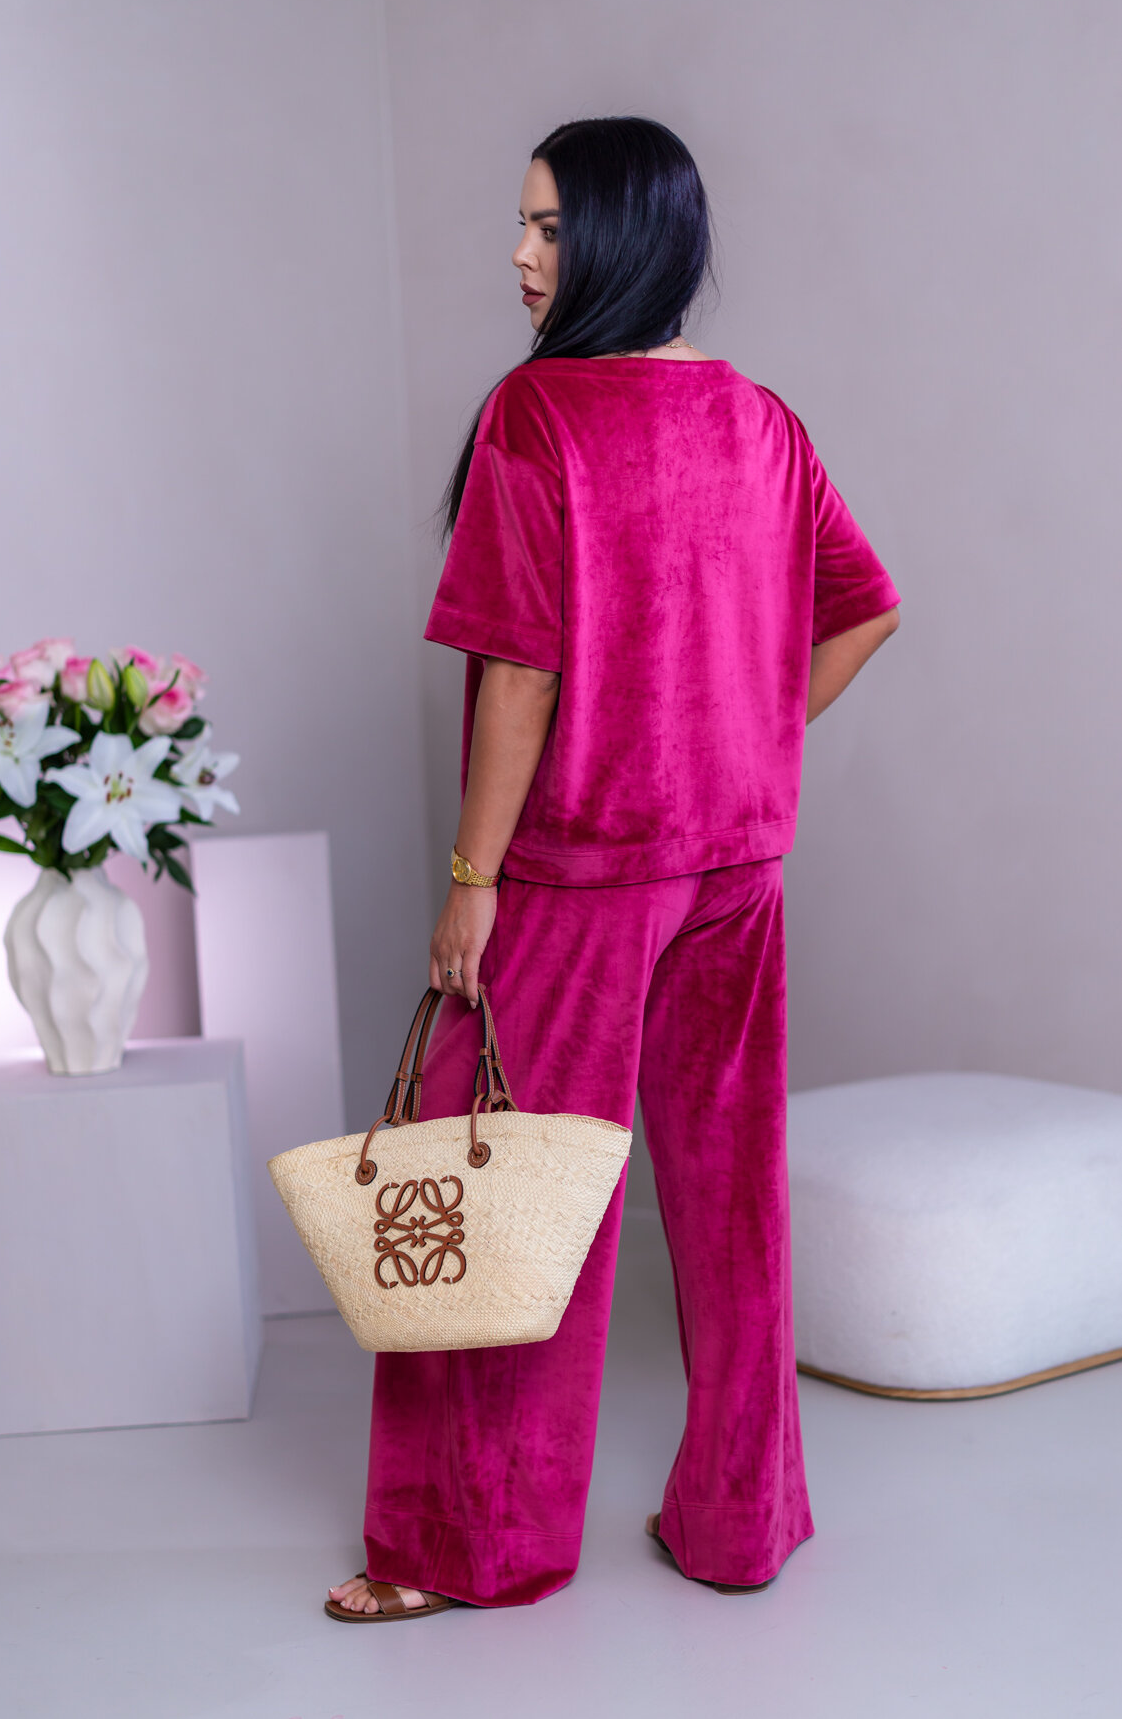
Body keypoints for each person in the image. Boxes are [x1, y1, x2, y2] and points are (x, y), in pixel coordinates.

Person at [327, 115, 900, 1622]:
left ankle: (465, 1544)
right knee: (731, 1202)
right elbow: (864, 609)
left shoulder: (540, 415)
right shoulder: (760, 419)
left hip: (580, 871)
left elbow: (519, 673)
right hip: (736, 866)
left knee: (503, 1193)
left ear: (629, 239)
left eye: (550, 227)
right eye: (523, 224)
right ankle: (739, 1523)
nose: (521, 256)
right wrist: (737, 743)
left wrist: (472, 877)